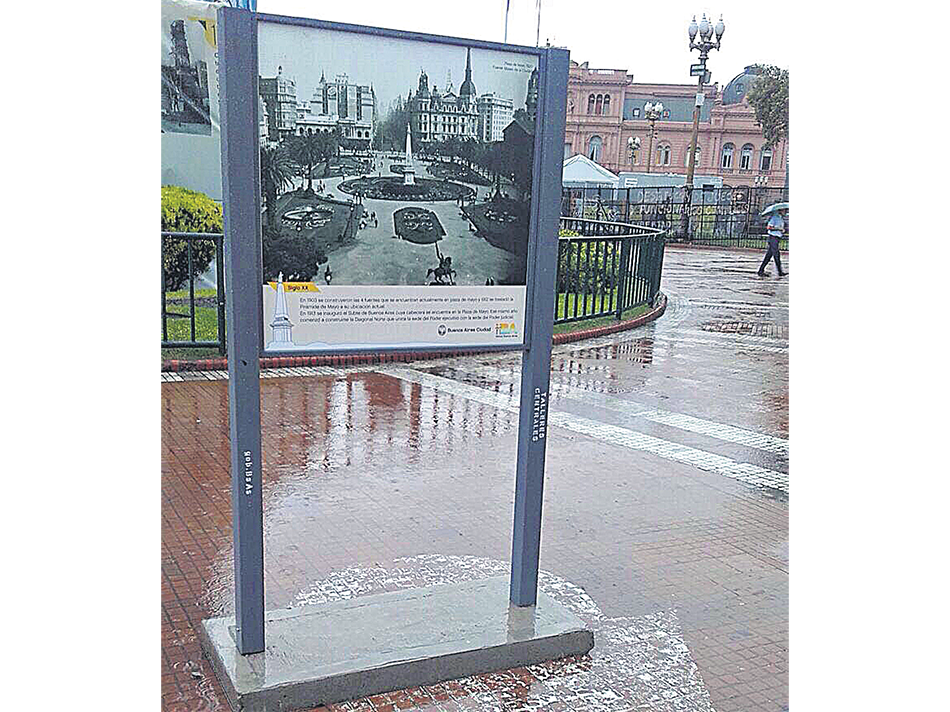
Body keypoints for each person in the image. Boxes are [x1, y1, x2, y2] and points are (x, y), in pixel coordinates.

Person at [758, 208, 787, 277]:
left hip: (777, 238)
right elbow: (769, 227)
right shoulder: (775, 218)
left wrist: (782, 230)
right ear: (780, 211)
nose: (785, 211)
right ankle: (780, 272)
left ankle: (761, 270)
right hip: (773, 237)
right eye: (784, 210)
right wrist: (778, 228)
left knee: (768, 256)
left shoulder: (781, 218)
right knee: (776, 255)